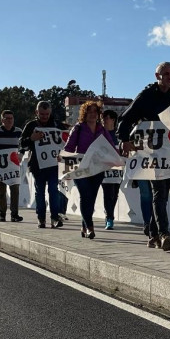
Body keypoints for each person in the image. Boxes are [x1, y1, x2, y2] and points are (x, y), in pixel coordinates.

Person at [116, 62, 170, 251]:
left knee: (163, 195)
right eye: (166, 73)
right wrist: (124, 140)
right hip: (150, 153)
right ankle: (165, 233)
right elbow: (126, 118)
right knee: (159, 192)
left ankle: (152, 234)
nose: (169, 77)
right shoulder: (146, 96)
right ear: (157, 76)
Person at [63, 100, 115, 239]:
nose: (92, 114)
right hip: (81, 168)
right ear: (84, 114)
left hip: (97, 169)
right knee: (85, 195)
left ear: (98, 114)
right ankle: (90, 227)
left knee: (90, 198)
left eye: (95, 111)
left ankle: (84, 225)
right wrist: (63, 158)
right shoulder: (78, 128)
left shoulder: (102, 129)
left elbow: (110, 146)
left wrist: (119, 157)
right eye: (89, 111)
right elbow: (68, 148)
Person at [20, 101, 64, 229]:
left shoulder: (57, 124)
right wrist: (31, 139)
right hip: (37, 165)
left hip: (54, 164)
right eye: (42, 114)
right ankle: (41, 218)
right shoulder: (31, 125)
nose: (45, 116)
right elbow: (22, 143)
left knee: (53, 190)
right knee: (40, 192)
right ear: (36, 112)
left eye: (47, 114)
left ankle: (55, 217)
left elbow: (66, 140)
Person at [100, 109, 121, 230]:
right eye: (102, 119)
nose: (103, 121)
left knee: (115, 194)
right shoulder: (99, 134)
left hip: (118, 169)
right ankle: (110, 218)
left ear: (113, 120)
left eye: (106, 118)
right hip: (104, 169)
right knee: (108, 193)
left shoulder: (118, 135)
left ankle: (109, 213)